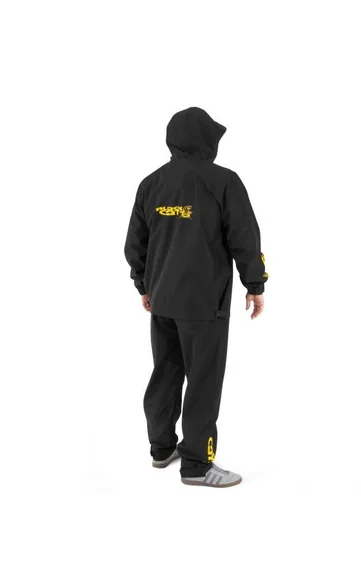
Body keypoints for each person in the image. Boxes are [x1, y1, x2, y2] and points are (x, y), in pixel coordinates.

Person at [124, 107, 268, 488]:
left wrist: (143, 285)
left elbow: (134, 244)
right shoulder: (224, 182)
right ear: (206, 141)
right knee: (203, 380)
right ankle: (197, 465)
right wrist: (255, 284)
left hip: (162, 302)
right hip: (205, 306)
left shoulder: (151, 184)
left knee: (166, 371)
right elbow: (245, 238)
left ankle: (161, 448)